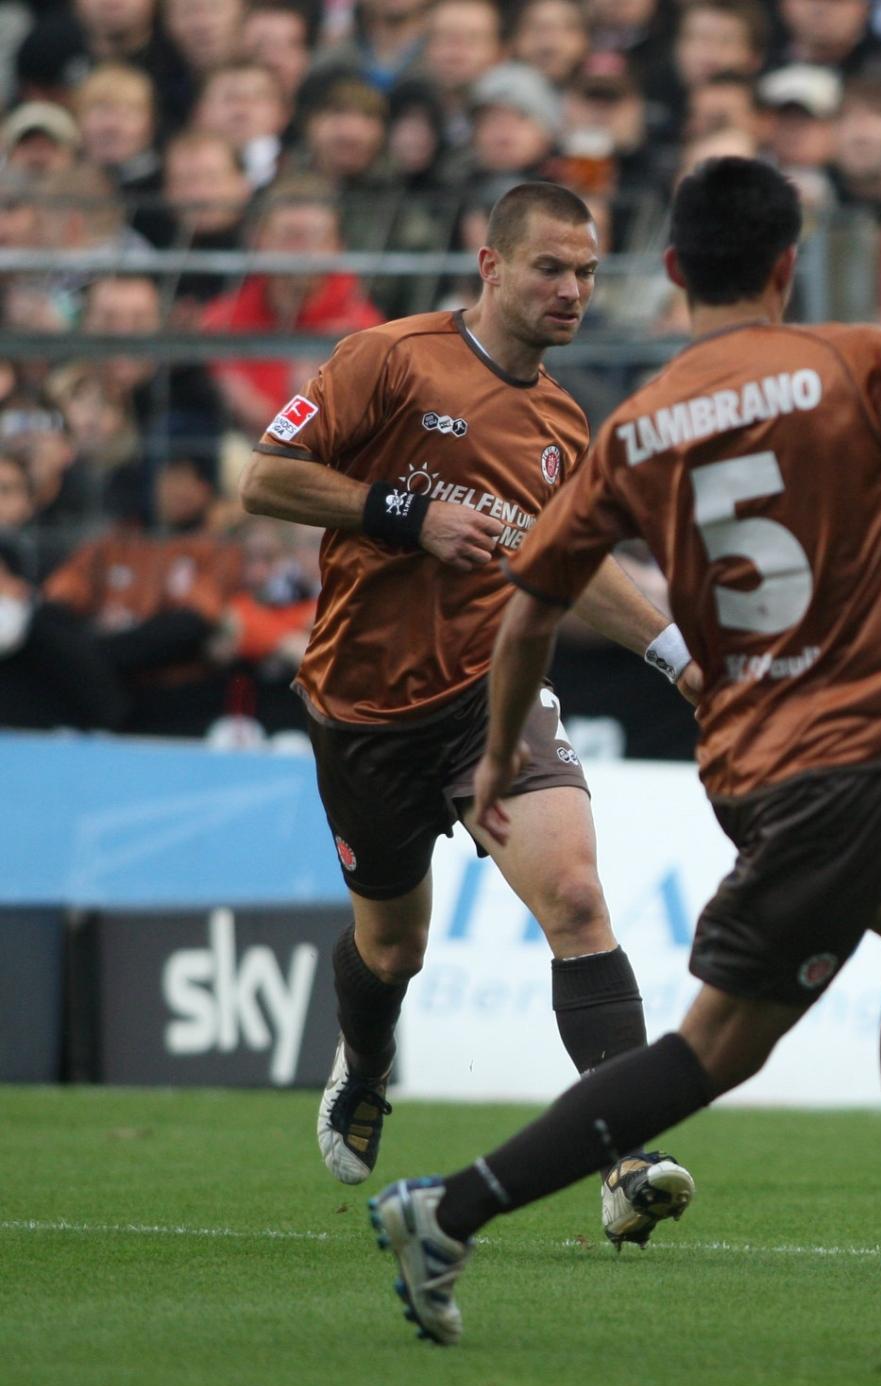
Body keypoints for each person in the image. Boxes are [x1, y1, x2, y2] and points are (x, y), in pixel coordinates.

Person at [364, 156, 881, 1345]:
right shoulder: (860, 360)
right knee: (712, 1054)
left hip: (750, 760)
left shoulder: (638, 424)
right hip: (836, 767)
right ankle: (447, 1210)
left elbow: (536, 599)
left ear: (678, 270)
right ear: (788, 265)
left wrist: (495, 758)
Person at [238, 182, 702, 1249]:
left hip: (489, 694)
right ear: (490, 265)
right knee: (391, 948)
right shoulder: (387, 358)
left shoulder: (560, 420)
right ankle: (364, 1057)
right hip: (361, 709)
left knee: (579, 897)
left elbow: (567, 564)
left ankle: (627, 1156)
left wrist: (676, 655)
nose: (572, 290)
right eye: (551, 267)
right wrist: (400, 511)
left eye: (586, 273)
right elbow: (268, 478)